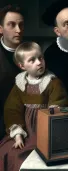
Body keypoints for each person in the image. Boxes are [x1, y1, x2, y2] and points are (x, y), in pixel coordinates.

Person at [0, 42, 68, 171]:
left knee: (35, 157)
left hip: (45, 129)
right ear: (22, 66)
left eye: (40, 58)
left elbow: (58, 104)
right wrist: (18, 134)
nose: (39, 62)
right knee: (8, 152)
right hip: (26, 130)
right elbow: (12, 110)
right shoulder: (20, 84)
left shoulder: (53, 82)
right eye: (32, 60)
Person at [0, 4, 24, 140]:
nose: (18, 30)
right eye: (12, 25)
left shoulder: (32, 53)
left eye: (21, 25)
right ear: (1, 29)